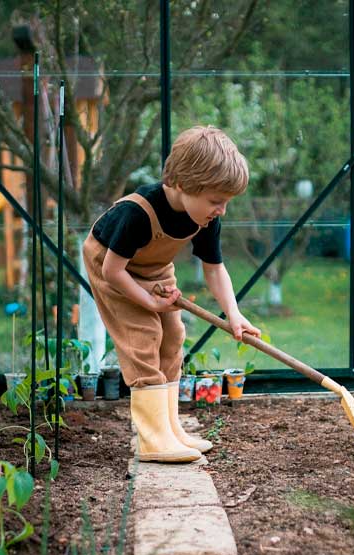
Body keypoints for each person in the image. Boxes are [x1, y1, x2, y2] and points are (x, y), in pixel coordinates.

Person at [82, 126, 261, 463]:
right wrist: (149, 301)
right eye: (215, 201)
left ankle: (169, 429)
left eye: (225, 202)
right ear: (182, 185)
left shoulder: (205, 217)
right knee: (144, 335)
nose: (221, 209)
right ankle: (151, 441)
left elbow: (214, 268)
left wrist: (233, 314)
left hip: (154, 269)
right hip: (113, 268)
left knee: (173, 335)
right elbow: (112, 271)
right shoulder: (136, 213)